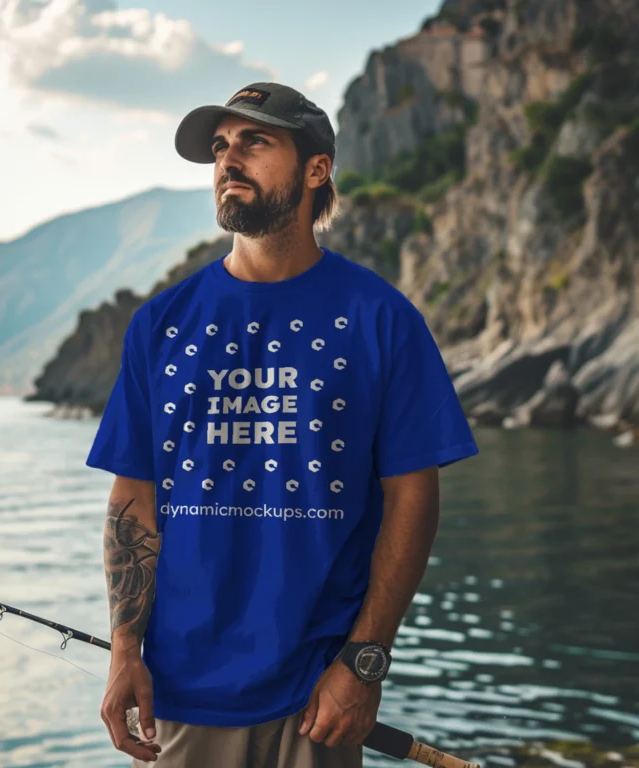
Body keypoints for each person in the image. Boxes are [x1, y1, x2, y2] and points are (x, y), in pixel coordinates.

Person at [86, 81, 479, 767]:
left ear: (315, 169)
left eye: (254, 142)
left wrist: (364, 662)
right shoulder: (161, 325)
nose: (228, 160)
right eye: (220, 147)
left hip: (319, 695)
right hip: (185, 694)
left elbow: (412, 498)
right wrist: (125, 653)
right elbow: (134, 500)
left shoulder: (381, 319)